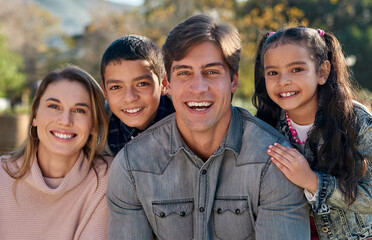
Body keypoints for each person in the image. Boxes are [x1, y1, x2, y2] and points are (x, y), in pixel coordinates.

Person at [107, 14, 310, 240]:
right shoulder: (131, 165)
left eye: (212, 72)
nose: (198, 88)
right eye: (184, 73)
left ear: (233, 80)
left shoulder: (274, 161)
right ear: (167, 84)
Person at [253, 26, 372, 239]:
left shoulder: (356, 121)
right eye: (273, 72)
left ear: (322, 72)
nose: (283, 81)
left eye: (296, 69)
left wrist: (313, 182)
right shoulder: (264, 125)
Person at [0, 65, 112, 239]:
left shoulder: (107, 179)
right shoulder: (2, 176)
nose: (65, 121)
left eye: (80, 110)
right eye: (54, 106)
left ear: (93, 125)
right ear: (35, 115)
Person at [100, 35, 175, 156]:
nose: (130, 98)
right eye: (116, 87)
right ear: (105, 92)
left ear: (164, 84)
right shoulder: (100, 131)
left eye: (142, 84)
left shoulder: (183, 118)